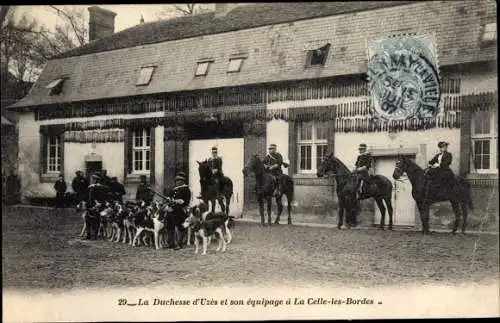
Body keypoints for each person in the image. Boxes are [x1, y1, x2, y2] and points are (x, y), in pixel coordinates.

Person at [166, 174, 192, 250]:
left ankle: (179, 243)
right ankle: (170, 243)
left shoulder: (186, 189)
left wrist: (176, 201)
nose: (177, 182)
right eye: (176, 181)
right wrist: (168, 200)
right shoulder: (174, 189)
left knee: (179, 226)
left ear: (182, 181)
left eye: (178, 181)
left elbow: (185, 201)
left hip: (180, 210)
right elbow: (169, 197)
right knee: (169, 226)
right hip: (171, 209)